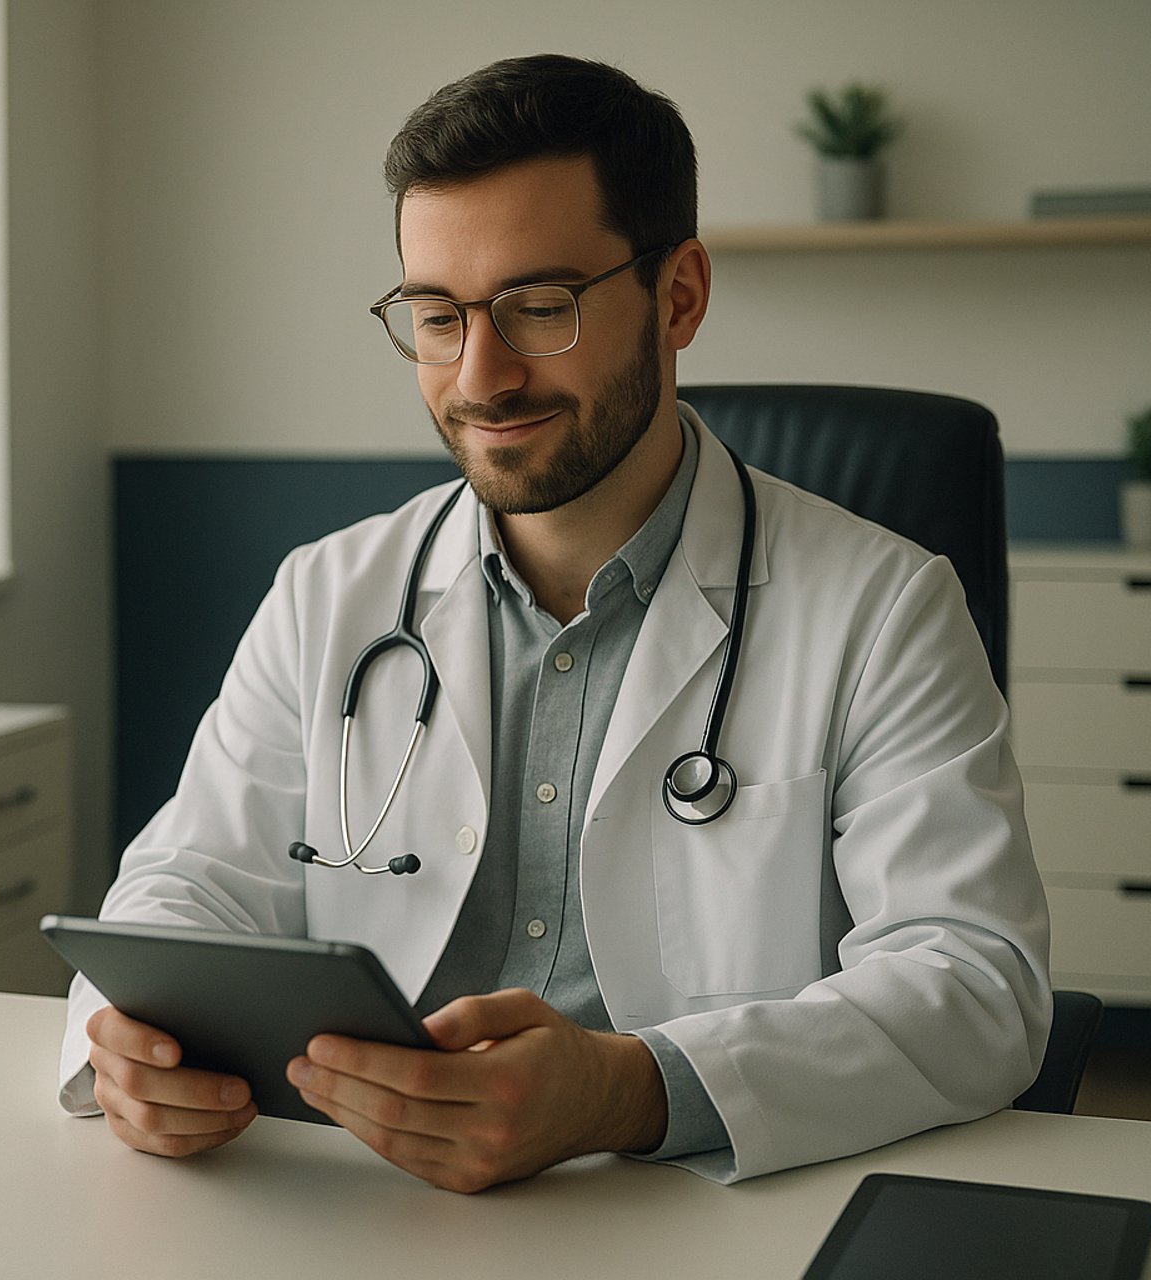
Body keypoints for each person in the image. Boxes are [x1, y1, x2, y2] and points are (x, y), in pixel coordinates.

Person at [58, 53, 1050, 1191]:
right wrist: (124, 1036)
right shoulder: (329, 592)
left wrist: (631, 1088)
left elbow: (978, 982)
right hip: (361, 1201)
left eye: (540, 308)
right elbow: (188, 884)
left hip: (703, 1212)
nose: (481, 376)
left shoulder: (883, 607)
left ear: (678, 296)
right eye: (436, 315)